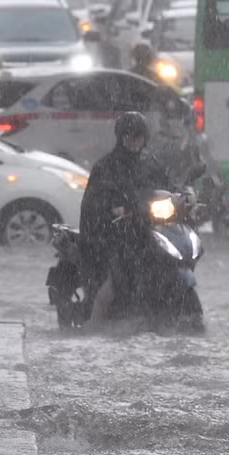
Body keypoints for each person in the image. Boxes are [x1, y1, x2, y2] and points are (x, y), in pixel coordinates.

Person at [80, 110, 175, 322]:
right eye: (129, 136)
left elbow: (167, 187)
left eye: (138, 137)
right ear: (121, 137)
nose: (134, 142)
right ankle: (93, 323)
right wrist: (113, 208)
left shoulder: (150, 164)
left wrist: (185, 196)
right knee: (115, 279)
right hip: (114, 235)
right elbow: (94, 202)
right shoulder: (105, 167)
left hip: (149, 231)